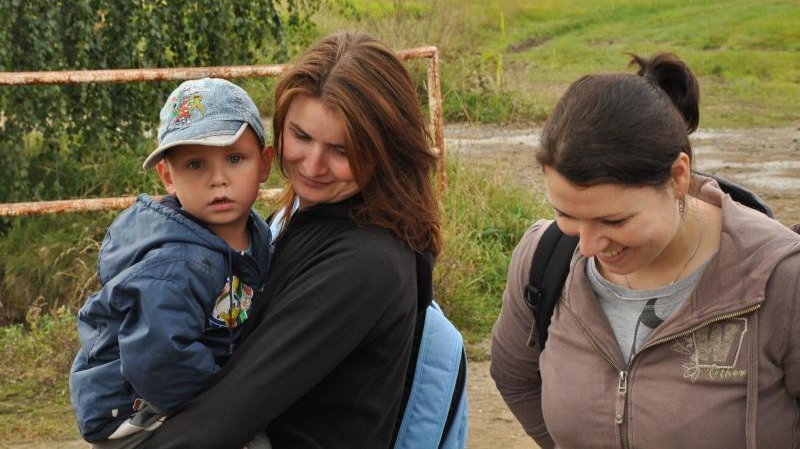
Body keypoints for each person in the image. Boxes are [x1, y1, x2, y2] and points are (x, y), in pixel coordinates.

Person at [142, 30, 442, 449]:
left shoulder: (363, 263)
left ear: (385, 151)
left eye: (341, 150)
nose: (312, 166)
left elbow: (231, 410)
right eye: (301, 136)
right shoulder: (299, 217)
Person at [490, 53, 800, 447]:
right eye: (566, 214)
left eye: (615, 221)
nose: (587, 245)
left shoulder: (783, 279)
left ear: (678, 177)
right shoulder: (543, 258)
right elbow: (514, 377)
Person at [69, 78, 274, 448]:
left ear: (264, 164)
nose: (218, 179)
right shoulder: (175, 262)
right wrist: (233, 400)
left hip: (181, 385)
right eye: (195, 164)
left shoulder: (258, 232)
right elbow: (157, 360)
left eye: (234, 159)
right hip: (133, 410)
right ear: (168, 177)